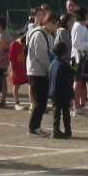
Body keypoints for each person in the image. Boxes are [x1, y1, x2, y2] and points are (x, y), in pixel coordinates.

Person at [25, 7, 53, 136]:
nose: (55, 27)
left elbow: (50, 53)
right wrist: (50, 70)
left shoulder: (48, 35)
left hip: (41, 72)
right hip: (36, 72)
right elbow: (41, 55)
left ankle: (36, 127)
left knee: (42, 101)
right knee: (40, 101)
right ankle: (32, 128)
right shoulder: (38, 34)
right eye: (54, 24)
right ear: (47, 22)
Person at [48, 31, 75, 139]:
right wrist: (75, 63)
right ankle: (67, 130)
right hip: (63, 92)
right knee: (65, 112)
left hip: (54, 91)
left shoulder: (53, 63)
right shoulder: (64, 65)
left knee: (56, 112)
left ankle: (55, 130)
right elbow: (73, 73)